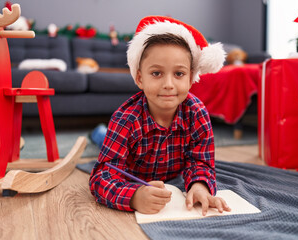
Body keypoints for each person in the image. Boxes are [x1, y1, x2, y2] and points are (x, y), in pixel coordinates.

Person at [89, 16, 230, 215]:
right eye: (156, 73)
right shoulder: (124, 119)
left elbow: (200, 161)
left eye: (179, 74)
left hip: (169, 170)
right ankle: (97, 133)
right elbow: (101, 177)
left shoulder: (197, 112)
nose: (169, 84)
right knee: (103, 138)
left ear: (191, 78)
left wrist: (199, 186)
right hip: (128, 160)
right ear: (139, 78)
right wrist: (134, 196)